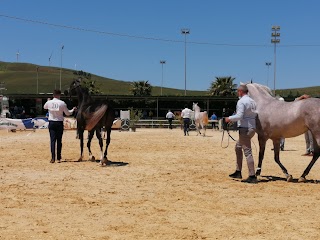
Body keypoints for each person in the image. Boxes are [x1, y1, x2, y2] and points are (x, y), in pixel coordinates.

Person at [225, 84, 258, 183]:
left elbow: (239, 115)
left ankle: (252, 176)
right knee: (238, 147)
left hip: (245, 128)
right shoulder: (253, 101)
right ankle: (238, 171)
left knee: (247, 152)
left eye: (237, 92)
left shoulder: (241, 101)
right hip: (252, 127)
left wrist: (229, 119)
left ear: (240, 91)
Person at [44, 90, 76, 163]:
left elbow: (44, 107)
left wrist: (48, 101)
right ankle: (58, 158)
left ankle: (53, 158)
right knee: (59, 140)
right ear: (59, 95)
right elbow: (67, 113)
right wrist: (73, 110)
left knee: (52, 140)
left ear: (53, 95)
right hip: (59, 122)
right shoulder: (62, 103)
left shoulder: (49, 102)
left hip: (51, 122)